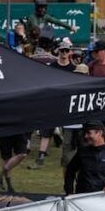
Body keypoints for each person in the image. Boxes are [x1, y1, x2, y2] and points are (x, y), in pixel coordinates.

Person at [28, 39, 78, 169]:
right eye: (62, 50)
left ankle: (68, 159)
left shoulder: (74, 68)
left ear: (70, 52)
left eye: (66, 50)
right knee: (46, 132)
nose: (64, 53)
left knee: (68, 134)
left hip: (68, 103)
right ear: (58, 51)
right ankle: (40, 158)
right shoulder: (52, 67)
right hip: (54, 103)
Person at [64, 121, 105, 195]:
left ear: (99, 133)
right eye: (85, 133)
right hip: (82, 198)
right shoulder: (82, 152)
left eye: (89, 133)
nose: (85, 136)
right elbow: (70, 171)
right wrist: (69, 192)